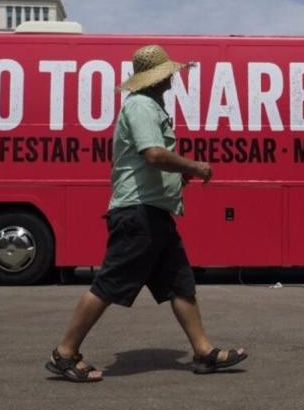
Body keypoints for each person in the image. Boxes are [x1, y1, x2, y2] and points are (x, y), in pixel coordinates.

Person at [47, 45, 247, 383]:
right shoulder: (141, 106)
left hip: (154, 213)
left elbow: (153, 159)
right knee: (108, 284)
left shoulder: (151, 105)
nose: (172, 77)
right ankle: (65, 353)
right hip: (138, 214)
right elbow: (153, 154)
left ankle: (203, 352)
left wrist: (176, 173)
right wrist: (193, 165)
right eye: (169, 72)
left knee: (180, 283)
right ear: (160, 77)